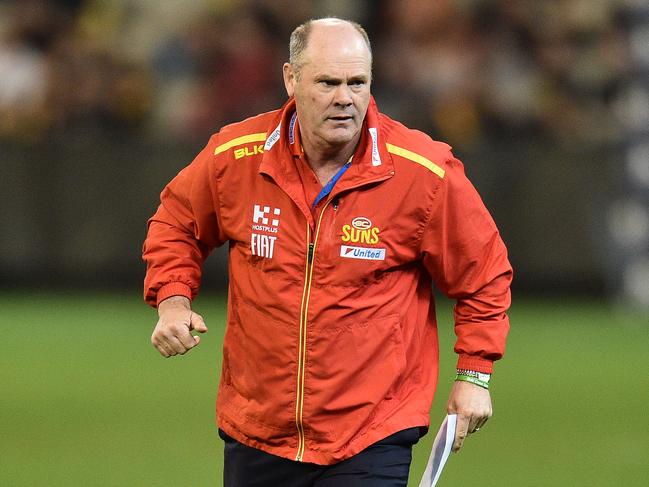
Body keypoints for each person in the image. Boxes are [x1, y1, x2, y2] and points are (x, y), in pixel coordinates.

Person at [142, 17, 512, 487]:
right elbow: (176, 222)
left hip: (371, 435)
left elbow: (484, 272)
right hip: (256, 431)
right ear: (291, 80)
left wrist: (474, 375)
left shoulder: (424, 172)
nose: (345, 98)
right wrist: (173, 300)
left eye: (357, 83)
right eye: (328, 82)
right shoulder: (235, 157)